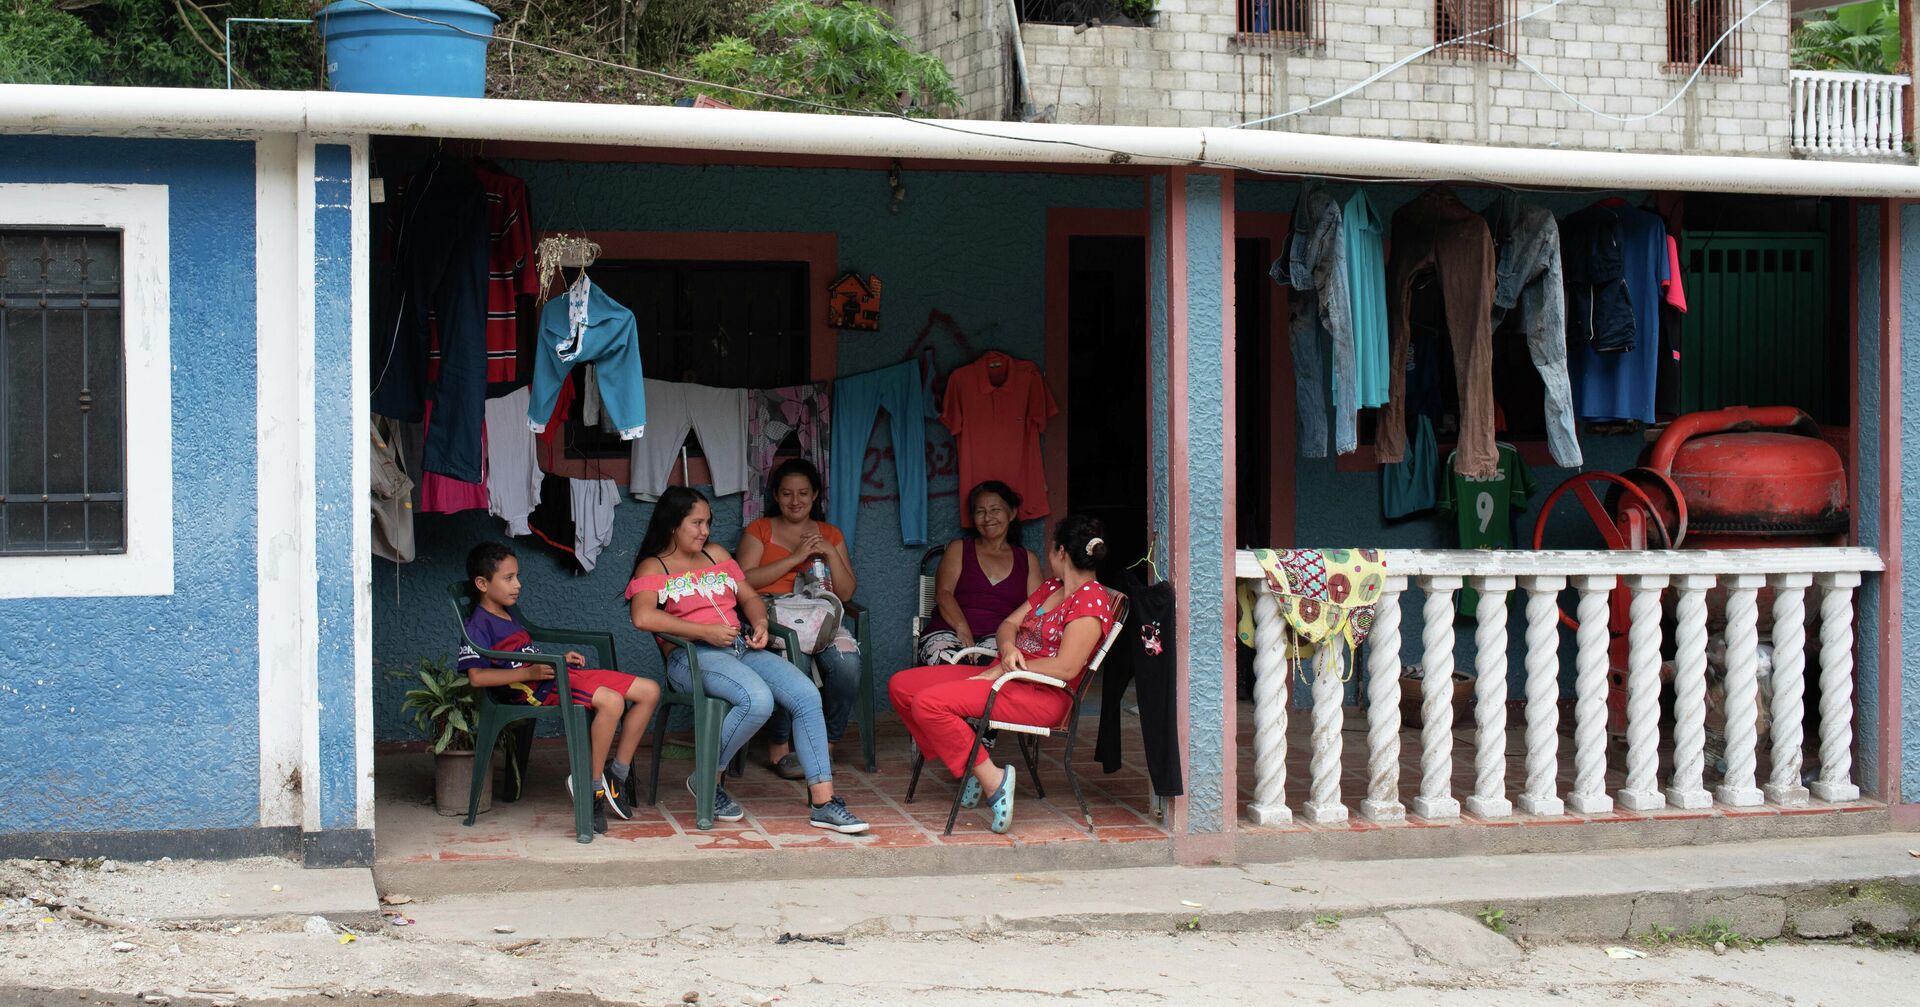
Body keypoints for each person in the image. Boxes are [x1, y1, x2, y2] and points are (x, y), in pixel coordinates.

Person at [626, 486, 870, 834]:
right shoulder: (655, 565)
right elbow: (643, 617)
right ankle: (709, 779)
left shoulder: (716, 555)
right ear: (672, 525)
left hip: (739, 649)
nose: (704, 531)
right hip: (691, 659)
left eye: (708, 522)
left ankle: (823, 802)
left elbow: (751, 597)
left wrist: (757, 622)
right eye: (696, 523)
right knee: (757, 700)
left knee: (806, 695)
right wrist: (702, 631)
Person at [888, 514, 1118, 834]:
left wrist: (1008, 667)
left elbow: (1067, 667)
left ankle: (992, 779)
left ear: (1061, 552)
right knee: (902, 686)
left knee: (929, 704)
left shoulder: (1091, 601)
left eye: (1051, 548)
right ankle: (971, 767)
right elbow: (1008, 624)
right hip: (1007, 676)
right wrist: (1009, 649)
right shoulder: (1053, 586)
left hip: (1043, 694)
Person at [458, 542, 660, 834]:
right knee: (613, 702)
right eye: (508, 578)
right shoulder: (478, 624)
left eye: (517, 576)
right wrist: (531, 671)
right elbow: (476, 677)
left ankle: (616, 774)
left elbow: (525, 652)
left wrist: (558, 659)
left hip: (551, 674)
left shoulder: (507, 612)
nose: (518, 585)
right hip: (535, 691)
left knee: (649, 691)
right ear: (481, 583)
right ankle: (589, 787)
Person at [735, 458, 863, 781]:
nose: (796, 501)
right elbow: (744, 581)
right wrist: (796, 558)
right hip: (772, 613)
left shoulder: (831, 534)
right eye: (787, 494)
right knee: (795, 664)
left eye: (803, 493)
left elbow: (846, 593)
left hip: (820, 615)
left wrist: (830, 553)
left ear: (815, 495)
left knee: (847, 665)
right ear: (776, 496)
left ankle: (827, 744)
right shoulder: (760, 530)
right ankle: (779, 744)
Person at [916, 481, 1043, 666]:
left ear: (1012, 513)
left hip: (1000, 638)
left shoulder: (1027, 559)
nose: (987, 517)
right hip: (950, 631)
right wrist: (962, 628)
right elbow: (943, 594)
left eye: (995, 510)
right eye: (980, 511)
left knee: (997, 669)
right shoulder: (959, 549)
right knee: (948, 664)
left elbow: (1036, 609)